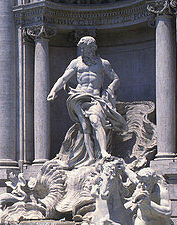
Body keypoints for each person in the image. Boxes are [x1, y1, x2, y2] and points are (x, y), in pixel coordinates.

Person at [47, 35, 126, 166]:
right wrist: (53, 91)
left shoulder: (103, 63)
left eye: (87, 48)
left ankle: (104, 151)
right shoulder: (76, 63)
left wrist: (110, 89)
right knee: (85, 127)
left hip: (95, 98)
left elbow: (115, 78)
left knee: (96, 121)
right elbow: (63, 78)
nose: (84, 51)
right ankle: (90, 157)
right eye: (82, 48)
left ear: (94, 48)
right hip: (78, 97)